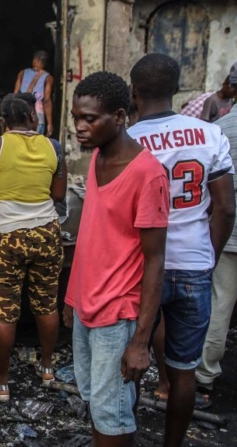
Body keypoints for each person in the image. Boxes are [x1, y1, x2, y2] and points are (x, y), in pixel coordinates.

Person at [128, 54, 235, 447]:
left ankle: (127, 435)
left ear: (134, 91)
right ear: (176, 89)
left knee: (131, 362)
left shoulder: (129, 141)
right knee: (184, 370)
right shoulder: (210, 134)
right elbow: (225, 207)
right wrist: (209, 255)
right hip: (194, 264)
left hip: (140, 267)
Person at [64, 71, 169, 447]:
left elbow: (155, 260)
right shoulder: (97, 159)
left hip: (117, 315)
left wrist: (140, 341)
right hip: (86, 306)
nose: (80, 126)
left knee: (113, 416)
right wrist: (72, 299)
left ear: (121, 116)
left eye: (90, 119)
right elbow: (94, 236)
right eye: (76, 117)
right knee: (97, 404)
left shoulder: (147, 173)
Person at [0, 92, 66, 402]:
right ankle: (48, 368)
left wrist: (2, 189)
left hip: (7, 237)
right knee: (47, 305)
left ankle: (1, 385)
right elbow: (59, 194)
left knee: (4, 313)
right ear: (34, 119)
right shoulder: (53, 147)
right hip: (47, 234)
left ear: (4, 122)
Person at [196, 61, 237, 408]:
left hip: (229, 235)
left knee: (220, 303)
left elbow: (219, 203)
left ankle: (205, 375)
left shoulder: (219, 130)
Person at [14, 50, 54, 136]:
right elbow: (47, 100)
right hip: (37, 116)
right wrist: (50, 123)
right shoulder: (48, 78)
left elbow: (16, 93)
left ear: (35, 61)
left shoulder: (22, 73)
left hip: (21, 112)